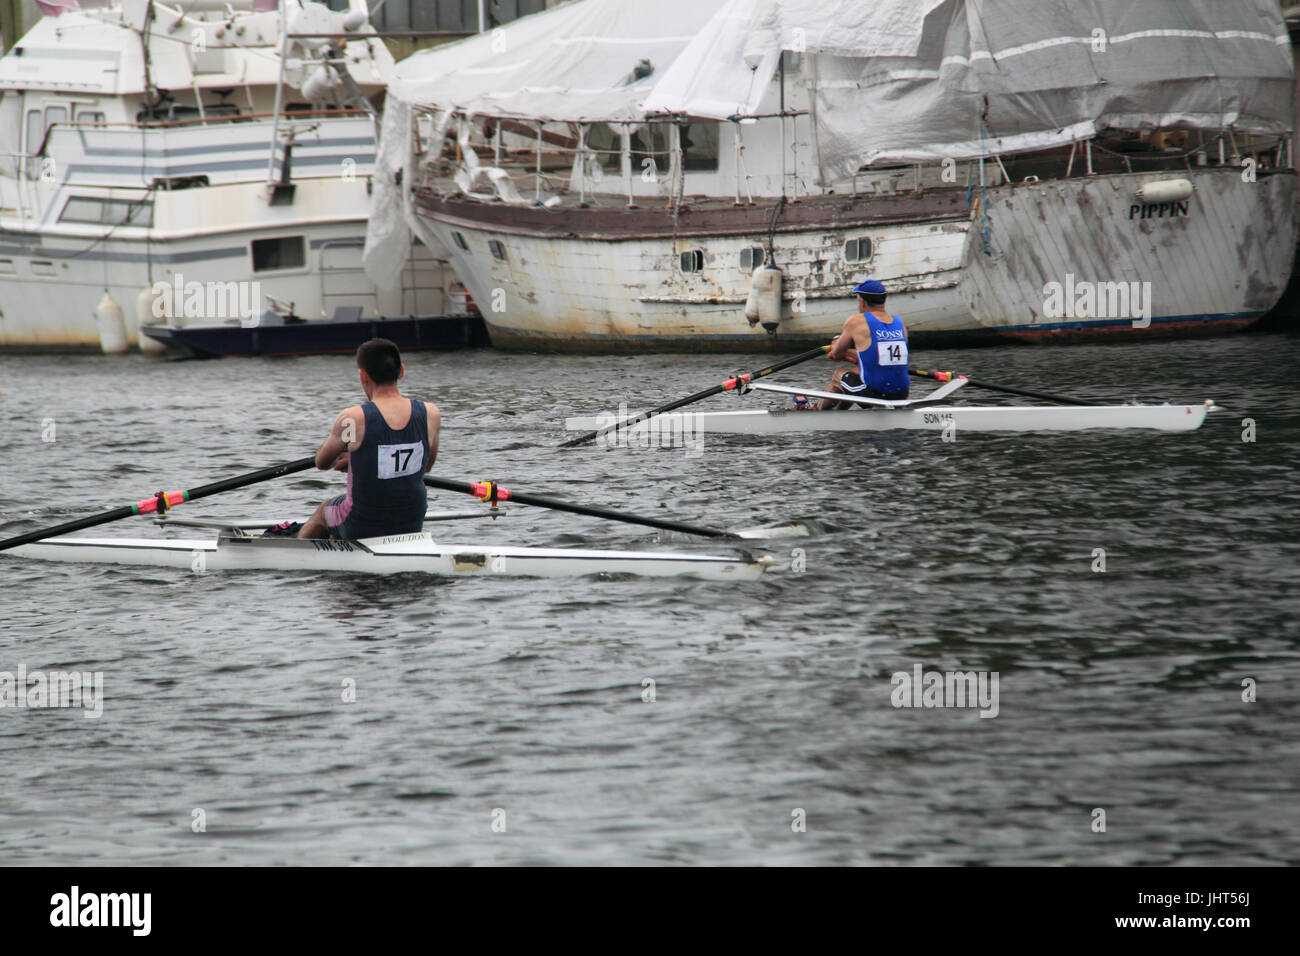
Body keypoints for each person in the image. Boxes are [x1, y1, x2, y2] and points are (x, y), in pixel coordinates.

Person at [298, 338, 441, 540]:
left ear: (363, 376)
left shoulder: (353, 419)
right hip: (412, 519)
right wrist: (362, 459)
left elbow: (322, 462)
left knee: (323, 511)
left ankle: (303, 556)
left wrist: (349, 457)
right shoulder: (430, 413)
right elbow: (425, 466)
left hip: (362, 523)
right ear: (401, 371)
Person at [817, 279, 909, 410]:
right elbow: (880, 357)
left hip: (874, 394)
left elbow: (836, 354)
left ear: (862, 301)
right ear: (884, 300)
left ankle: (819, 413)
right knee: (856, 372)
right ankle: (837, 414)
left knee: (838, 375)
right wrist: (852, 355)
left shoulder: (856, 321)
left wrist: (837, 349)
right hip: (901, 394)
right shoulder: (900, 323)